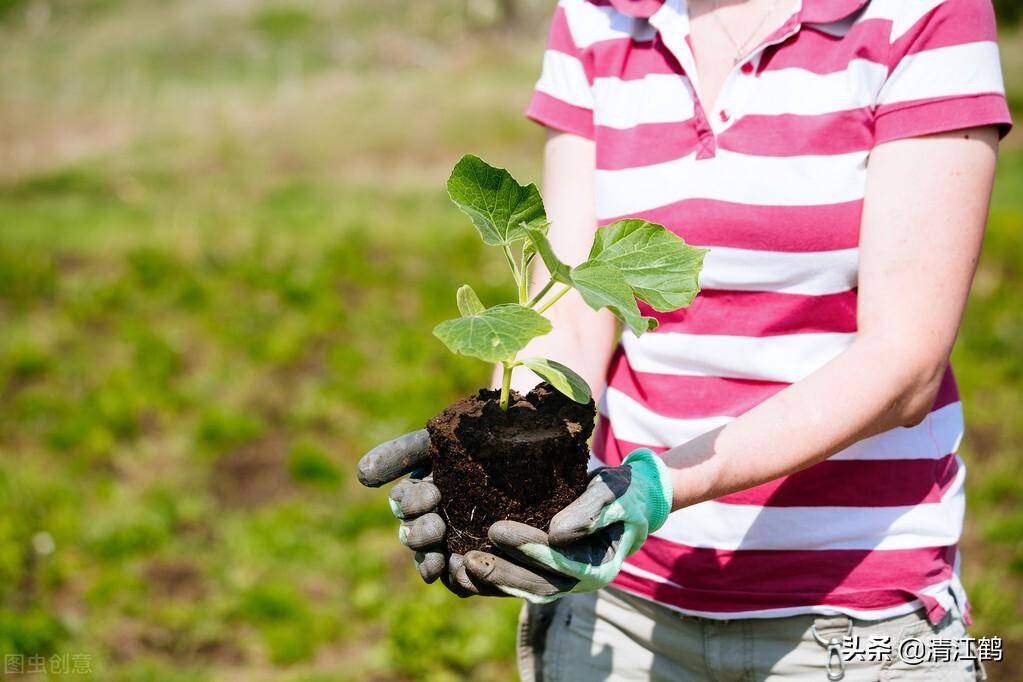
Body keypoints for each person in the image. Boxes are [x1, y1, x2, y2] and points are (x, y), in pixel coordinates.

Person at [358, 0, 1012, 679]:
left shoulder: (922, 13)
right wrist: (498, 466)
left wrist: (659, 485)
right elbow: (580, 306)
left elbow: (903, 364)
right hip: (616, 605)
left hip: (856, 615)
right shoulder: (598, 17)